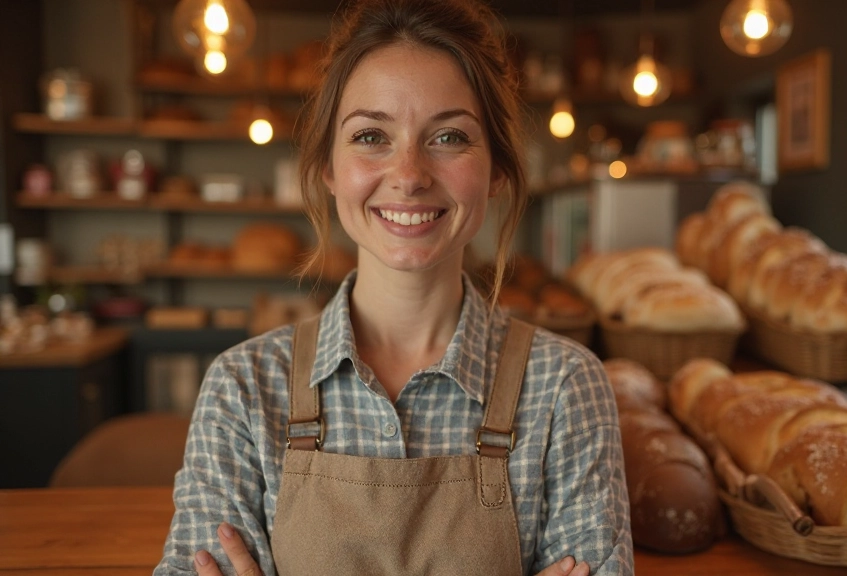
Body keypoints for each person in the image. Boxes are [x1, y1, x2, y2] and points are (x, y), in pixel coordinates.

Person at [154, 0, 632, 574]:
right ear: (329, 166)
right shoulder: (243, 390)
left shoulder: (564, 388)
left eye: (450, 136)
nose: (408, 175)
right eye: (371, 135)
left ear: (498, 168)